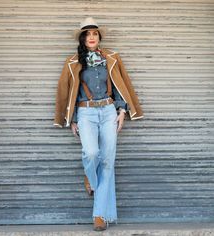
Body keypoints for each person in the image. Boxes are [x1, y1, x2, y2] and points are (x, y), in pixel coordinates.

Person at [54, 17, 143, 231]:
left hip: (108, 111)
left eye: (95, 34)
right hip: (85, 112)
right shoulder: (73, 61)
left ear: (99, 37)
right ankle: (91, 179)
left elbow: (122, 83)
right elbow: (67, 92)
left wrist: (122, 110)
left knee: (107, 162)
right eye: (87, 34)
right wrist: (72, 118)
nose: (91, 37)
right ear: (83, 39)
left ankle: (100, 216)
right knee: (92, 154)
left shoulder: (111, 58)